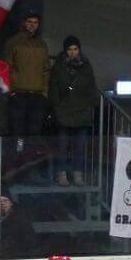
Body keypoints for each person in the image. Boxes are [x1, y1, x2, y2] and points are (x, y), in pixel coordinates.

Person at [48, 36, 97, 186]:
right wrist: (57, 106)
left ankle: (77, 175)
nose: (73, 52)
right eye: (69, 49)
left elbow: (91, 87)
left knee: (80, 147)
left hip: (82, 112)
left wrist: (89, 105)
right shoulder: (59, 67)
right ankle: (61, 174)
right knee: (62, 146)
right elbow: (54, 89)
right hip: (64, 112)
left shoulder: (86, 66)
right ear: (65, 50)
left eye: (75, 49)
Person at [3, 11, 50, 137]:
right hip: (18, 94)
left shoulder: (42, 44)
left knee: (34, 132)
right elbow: (6, 67)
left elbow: (46, 70)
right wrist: (11, 91)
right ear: (24, 23)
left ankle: (30, 156)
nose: (32, 25)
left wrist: (44, 93)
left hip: (37, 95)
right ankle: (17, 156)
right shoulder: (13, 42)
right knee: (17, 133)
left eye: (35, 22)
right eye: (29, 21)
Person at [0, 191, 35, 259]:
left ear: (11, 203)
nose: (2, 203)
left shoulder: (20, 220)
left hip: (17, 256)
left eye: (5, 200)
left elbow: (29, 241)